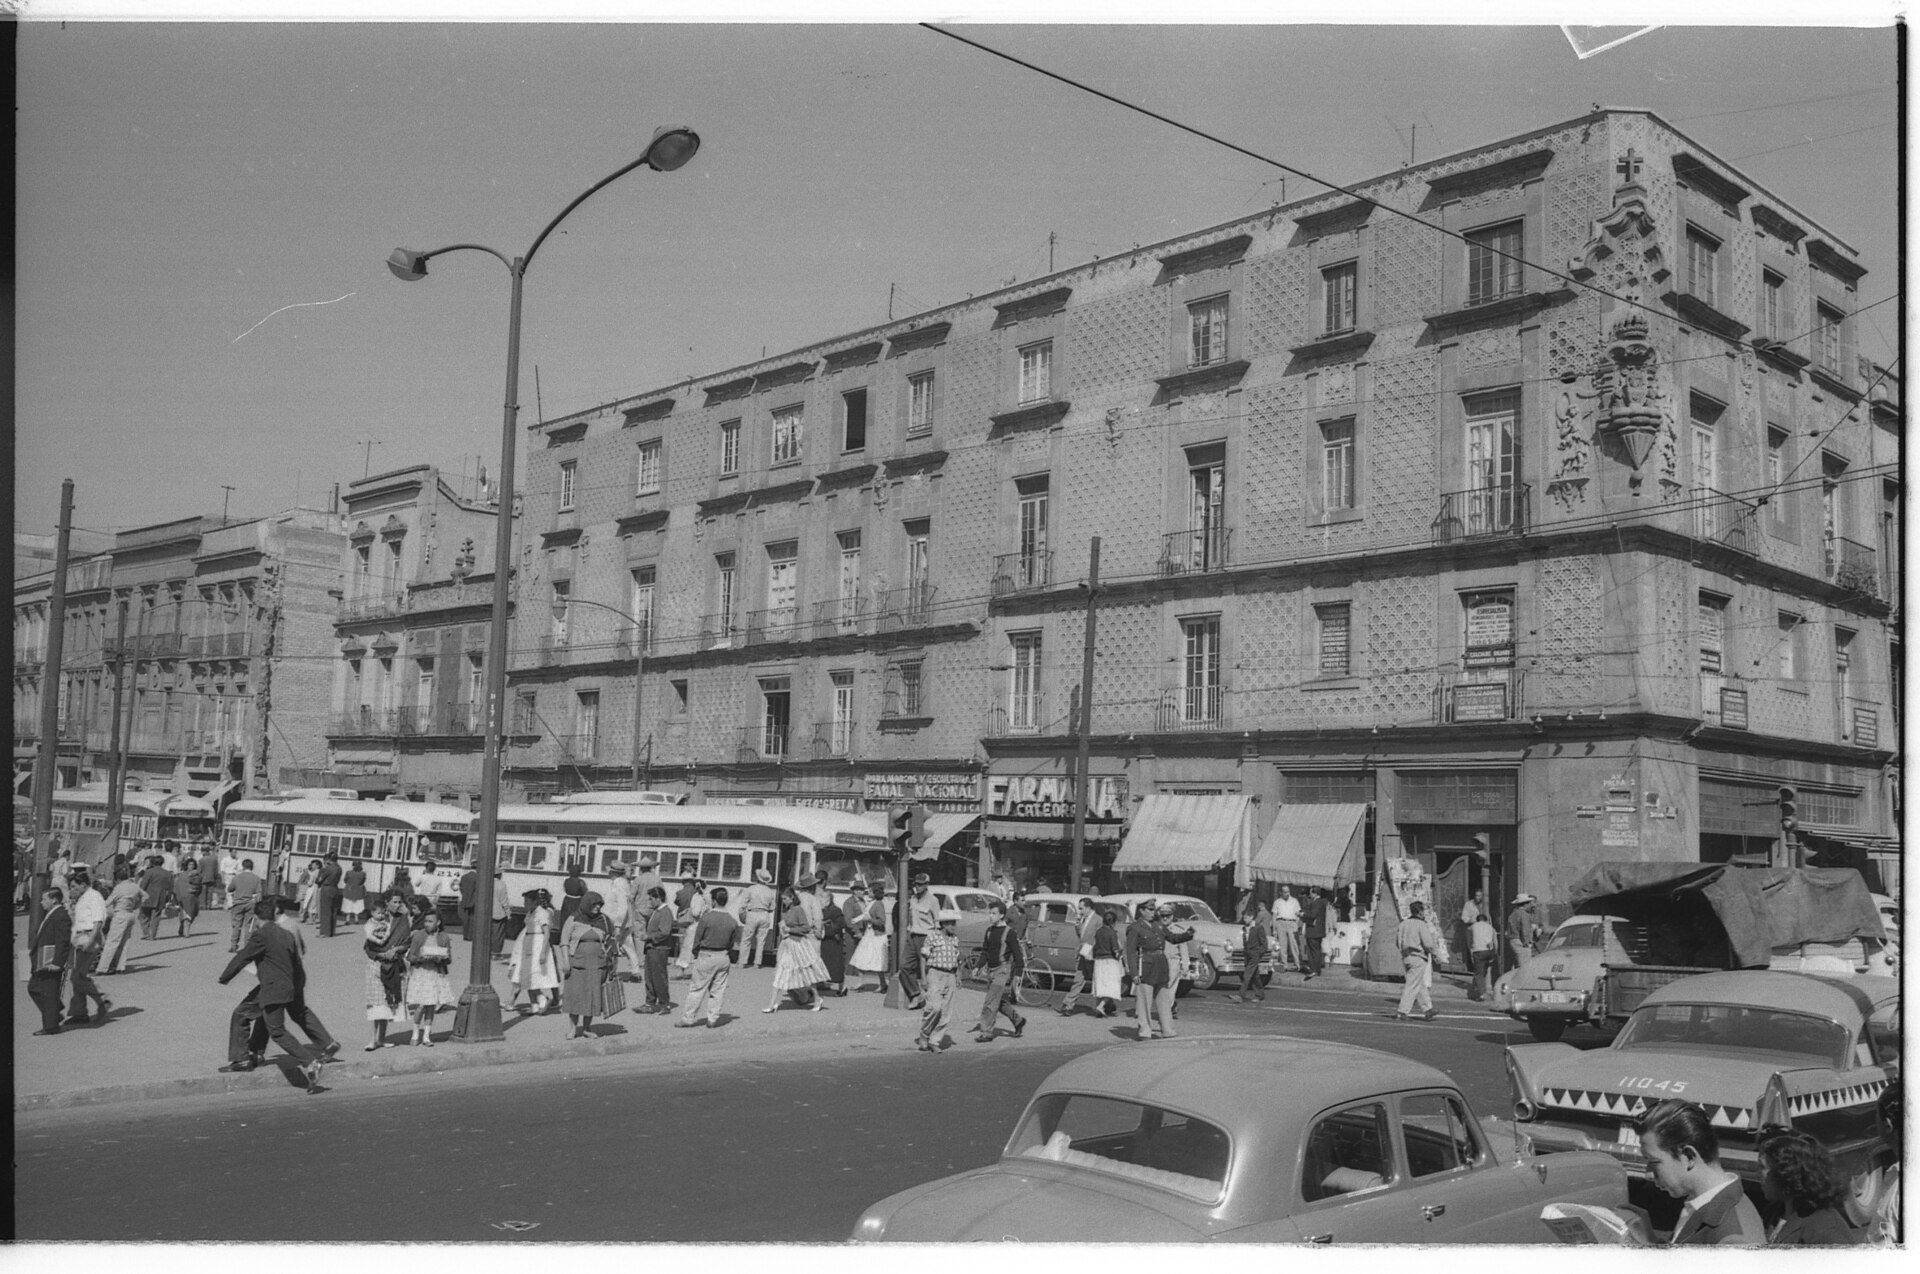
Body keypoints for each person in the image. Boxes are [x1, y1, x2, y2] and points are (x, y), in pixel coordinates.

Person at [217, 899, 323, 1093]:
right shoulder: (286, 934)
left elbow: (243, 956)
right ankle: (254, 1053)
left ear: (257, 918)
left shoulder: (261, 935)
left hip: (272, 989)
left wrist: (225, 977)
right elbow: (297, 963)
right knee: (254, 1015)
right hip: (286, 986)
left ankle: (309, 1062)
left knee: (274, 1029)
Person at [1638, 1099, 1766, 1245]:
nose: (1648, 1174)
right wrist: (1648, 1240)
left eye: (1654, 1162)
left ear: (1689, 1156)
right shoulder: (1705, 1202)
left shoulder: (1734, 1241)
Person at [1757, 1126, 1861, 1246]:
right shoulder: (1774, 1211)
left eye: (1762, 1167)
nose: (1758, 1173)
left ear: (1786, 1174)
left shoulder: (1827, 1231)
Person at [676, 885, 740, 1029]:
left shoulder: (707, 918)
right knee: (718, 990)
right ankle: (713, 1018)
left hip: (707, 954)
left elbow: (697, 939)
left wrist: (696, 953)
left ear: (714, 901)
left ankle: (688, 1018)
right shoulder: (732, 920)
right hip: (723, 956)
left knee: (697, 989)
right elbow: (732, 942)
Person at [765, 885, 829, 1013]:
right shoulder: (786, 910)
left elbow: (806, 928)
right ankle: (771, 1004)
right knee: (781, 972)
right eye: (782, 899)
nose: (784, 901)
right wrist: (783, 929)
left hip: (798, 944)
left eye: (785, 899)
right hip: (787, 944)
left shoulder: (798, 910)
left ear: (792, 898)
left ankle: (817, 998)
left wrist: (790, 929)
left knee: (806, 973)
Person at [559, 891, 613, 1040]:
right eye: (594, 904)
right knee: (575, 996)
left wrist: (611, 963)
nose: (597, 907)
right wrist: (565, 961)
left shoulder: (603, 920)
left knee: (592, 997)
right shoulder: (573, 919)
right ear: (586, 904)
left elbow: (611, 941)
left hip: (597, 965)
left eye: (599, 905)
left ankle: (587, 1029)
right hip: (577, 964)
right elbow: (564, 941)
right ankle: (573, 1029)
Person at [972, 900, 1027, 1043]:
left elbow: (1018, 956)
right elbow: (985, 952)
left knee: (990, 1002)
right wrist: (978, 966)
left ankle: (986, 1032)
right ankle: (1018, 1020)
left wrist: (1017, 976)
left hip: (1002, 971)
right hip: (990, 971)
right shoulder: (989, 931)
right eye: (990, 913)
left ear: (1001, 915)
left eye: (993, 913)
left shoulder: (1009, 933)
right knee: (997, 1001)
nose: (990, 916)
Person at [362, 892, 412, 1049]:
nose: (397, 905)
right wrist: (380, 954)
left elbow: (406, 942)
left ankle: (381, 1038)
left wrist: (396, 950)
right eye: (394, 902)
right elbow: (368, 944)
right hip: (376, 964)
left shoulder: (402, 920)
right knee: (376, 1003)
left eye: (400, 902)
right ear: (386, 902)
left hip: (394, 964)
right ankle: (372, 1039)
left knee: (387, 1003)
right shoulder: (376, 919)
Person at [402, 908, 456, 1046]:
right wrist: (420, 958)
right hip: (421, 973)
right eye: (425, 921)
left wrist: (440, 959)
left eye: (430, 921)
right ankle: (415, 1033)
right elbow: (410, 956)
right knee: (421, 1005)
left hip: (435, 973)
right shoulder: (419, 936)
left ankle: (426, 1036)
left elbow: (448, 958)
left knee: (431, 1006)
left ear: (438, 923)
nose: (427, 924)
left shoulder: (443, 937)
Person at [913, 910, 964, 1052]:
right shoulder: (932, 937)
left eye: (954, 923)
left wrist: (958, 975)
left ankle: (935, 1041)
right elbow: (923, 957)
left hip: (950, 975)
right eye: (950, 923)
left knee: (946, 1011)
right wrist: (923, 977)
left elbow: (957, 959)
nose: (953, 926)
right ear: (944, 924)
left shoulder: (955, 939)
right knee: (934, 1007)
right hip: (935, 974)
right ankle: (924, 1034)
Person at [65, 873, 111, 1026]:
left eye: (74, 886)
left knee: (77, 977)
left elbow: (98, 921)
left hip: (89, 937)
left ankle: (103, 1000)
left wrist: (91, 941)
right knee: (77, 976)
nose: (72, 889)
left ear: (83, 885)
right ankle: (80, 1013)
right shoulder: (83, 898)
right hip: (80, 938)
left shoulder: (94, 896)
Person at [27, 886, 73, 1036]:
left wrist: (57, 963)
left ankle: (51, 1026)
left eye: (44, 899)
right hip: (43, 959)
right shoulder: (52, 913)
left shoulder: (60, 915)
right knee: (34, 987)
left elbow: (63, 941)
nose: (41, 902)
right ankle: (53, 1013)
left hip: (51, 961)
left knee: (49, 992)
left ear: (54, 900)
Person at [508, 888, 559, 1014]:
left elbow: (547, 932)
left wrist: (543, 952)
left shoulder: (542, 913)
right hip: (528, 943)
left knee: (531, 974)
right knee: (526, 975)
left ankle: (542, 998)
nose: (524, 904)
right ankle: (534, 1005)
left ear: (534, 901)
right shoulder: (531, 913)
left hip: (537, 944)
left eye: (527, 901)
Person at [1056, 897, 1105, 1016]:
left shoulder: (1098, 920)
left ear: (1088, 908)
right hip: (1083, 953)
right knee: (1078, 979)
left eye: (1081, 908)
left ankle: (1106, 1004)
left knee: (1098, 981)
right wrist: (1077, 926)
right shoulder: (1084, 919)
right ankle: (1068, 1005)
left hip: (1092, 954)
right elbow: (1081, 935)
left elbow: (1100, 938)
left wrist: (1093, 951)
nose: (1080, 911)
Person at [1395, 900, 1441, 1021]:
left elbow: (1397, 942)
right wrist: (1435, 954)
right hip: (1418, 957)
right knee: (1412, 985)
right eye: (1423, 911)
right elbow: (1428, 943)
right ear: (1420, 912)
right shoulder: (1421, 924)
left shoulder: (1403, 924)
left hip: (1406, 957)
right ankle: (1402, 1011)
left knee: (1419, 984)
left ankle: (1428, 1009)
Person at [902, 872, 939, 1010]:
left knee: (927, 970)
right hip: (913, 936)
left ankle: (931, 1000)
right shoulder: (913, 899)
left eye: (921, 884)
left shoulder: (933, 900)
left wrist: (935, 941)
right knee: (904, 966)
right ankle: (916, 994)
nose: (917, 886)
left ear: (926, 885)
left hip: (926, 937)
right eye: (916, 884)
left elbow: (937, 922)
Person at [848, 882, 891, 993]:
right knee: (860, 956)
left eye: (870, 891)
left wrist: (869, 920)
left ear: (875, 893)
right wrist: (857, 919)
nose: (868, 892)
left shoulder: (878, 904)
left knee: (877, 960)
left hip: (876, 936)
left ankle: (882, 983)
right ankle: (861, 981)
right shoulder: (871, 903)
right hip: (869, 934)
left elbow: (881, 921)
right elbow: (865, 915)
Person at [639, 885, 676, 1014]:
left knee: (659, 978)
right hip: (652, 948)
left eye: (651, 899)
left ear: (658, 898)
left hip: (659, 949)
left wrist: (649, 937)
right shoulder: (657, 911)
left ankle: (664, 1004)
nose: (650, 902)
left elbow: (664, 932)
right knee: (649, 977)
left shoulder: (665, 912)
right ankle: (650, 1003)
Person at [100, 866, 142, 975]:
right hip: (130, 914)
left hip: (120, 914)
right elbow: (143, 898)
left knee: (112, 942)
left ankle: (103, 968)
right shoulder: (135, 886)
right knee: (125, 942)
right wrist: (134, 906)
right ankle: (120, 967)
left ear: (117, 879)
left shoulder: (119, 888)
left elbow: (108, 902)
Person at [738, 868, 779, 970]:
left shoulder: (751, 889)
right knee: (761, 941)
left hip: (753, 913)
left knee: (746, 939)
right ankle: (757, 963)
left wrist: (742, 916)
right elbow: (773, 907)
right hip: (765, 914)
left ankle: (742, 962)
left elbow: (743, 905)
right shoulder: (770, 891)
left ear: (757, 878)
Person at [1232, 902, 1270, 1002]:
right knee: (1255, 976)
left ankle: (1241, 995)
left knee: (1246, 975)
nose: (1244, 919)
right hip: (1247, 955)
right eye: (1244, 918)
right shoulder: (1244, 928)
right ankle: (1260, 995)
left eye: (1246, 918)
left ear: (1251, 917)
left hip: (1255, 955)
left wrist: (1258, 953)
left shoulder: (1258, 928)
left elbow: (1264, 944)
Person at [600, 863, 633, 977]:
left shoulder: (619, 885)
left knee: (612, 948)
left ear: (613, 872)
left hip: (613, 923)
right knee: (615, 947)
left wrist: (618, 925)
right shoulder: (616, 883)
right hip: (610, 921)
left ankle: (610, 973)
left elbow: (623, 907)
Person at [819, 884, 851, 996]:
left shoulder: (836, 910)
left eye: (822, 898)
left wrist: (826, 929)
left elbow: (840, 924)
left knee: (836, 966)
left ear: (828, 899)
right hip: (825, 941)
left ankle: (842, 987)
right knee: (824, 964)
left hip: (833, 942)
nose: (820, 900)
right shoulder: (821, 909)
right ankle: (821, 985)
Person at [228, 858, 263, 952]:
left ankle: (233, 945)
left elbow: (230, 889)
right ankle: (247, 946)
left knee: (236, 925)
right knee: (249, 926)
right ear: (252, 867)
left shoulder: (237, 877)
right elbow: (259, 893)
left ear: (243, 867)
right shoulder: (256, 878)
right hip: (251, 904)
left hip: (238, 904)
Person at [675, 878, 710, 972]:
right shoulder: (707, 896)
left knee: (688, 946)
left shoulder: (697, 897)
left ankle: (684, 967)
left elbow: (695, 913)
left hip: (696, 924)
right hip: (706, 924)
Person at [138, 855, 172, 941]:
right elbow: (169, 887)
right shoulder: (167, 873)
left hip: (147, 896)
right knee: (156, 916)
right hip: (160, 896)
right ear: (162, 862)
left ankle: (146, 932)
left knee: (143, 915)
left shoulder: (149, 872)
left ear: (153, 862)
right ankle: (152, 935)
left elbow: (144, 884)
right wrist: (168, 898)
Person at [1468, 909, 1499, 1001]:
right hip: (1489, 951)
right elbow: (1495, 942)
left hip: (1478, 951)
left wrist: (1471, 951)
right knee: (1486, 970)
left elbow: (1469, 938)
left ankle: (1481, 994)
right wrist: (1495, 952)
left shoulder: (1473, 926)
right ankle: (1486, 988)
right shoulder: (1491, 927)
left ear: (1477, 920)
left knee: (1478, 973)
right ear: (1486, 920)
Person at [1506, 893, 1541, 973]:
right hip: (1520, 940)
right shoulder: (1524, 914)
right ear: (1526, 904)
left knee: (1518, 964)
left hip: (1513, 940)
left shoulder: (1514, 913)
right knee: (1524, 966)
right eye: (1529, 903)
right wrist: (1527, 943)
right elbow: (1525, 929)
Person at [1301, 886, 1329, 980]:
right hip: (1318, 931)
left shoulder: (1316, 903)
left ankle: (1314, 970)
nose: (1310, 895)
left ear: (1315, 893)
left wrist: (1303, 914)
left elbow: (1313, 915)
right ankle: (1316, 970)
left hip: (1313, 930)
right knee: (1316, 950)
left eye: (1310, 893)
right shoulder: (1321, 902)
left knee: (1313, 951)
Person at [1272, 884, 1303, 971]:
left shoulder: (1294, 901)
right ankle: (1284, 965)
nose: (1287, 894)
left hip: (1292, 923)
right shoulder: (1277, 902)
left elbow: (1298, 914)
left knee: (1294, 945)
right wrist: (1274, 929)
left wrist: (1296, 924)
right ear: (1281, 893)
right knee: (1282, 945)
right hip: (1281, 922)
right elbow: (1274, 916)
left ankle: (1297, 964)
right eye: (1285, 892)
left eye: (1288, 892)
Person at [313, 853, 343, 938]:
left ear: (329, 859)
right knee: (333, 911)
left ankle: (325, 932)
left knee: (325, 911)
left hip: (327, 889)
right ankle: (332, 931)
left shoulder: (328, 868)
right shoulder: (339, 868)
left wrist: (317, 880)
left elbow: (319, 880)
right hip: (335, 888)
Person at [172, 855, 202, 938]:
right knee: (185, 914)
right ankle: (186, 931)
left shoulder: (197, 875)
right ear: (186, 865)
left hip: (192, 897)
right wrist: (176, 896)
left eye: (193, 865)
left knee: (191, 914)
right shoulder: (182, 875)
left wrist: (195, 891)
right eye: (190, 864)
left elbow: (199, 885)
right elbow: (177, 886)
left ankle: (183, 928)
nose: (191, 866)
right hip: (183, 897)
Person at [456, 863, 479, 941]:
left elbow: (461, 888)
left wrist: (465, 895)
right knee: (472, 919)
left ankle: (465, 935)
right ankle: (470, 936)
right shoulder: (477, 877)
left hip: (465, 900)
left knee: (466, 919)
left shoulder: (464, 877)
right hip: (474, 901)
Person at [341, 859, 367, 927]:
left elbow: (345, 880)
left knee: (348, 905)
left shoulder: (348, 872)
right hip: (358, 891)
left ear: (353, 865)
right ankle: (356, 919)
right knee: (357, 905)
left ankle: (347, 920)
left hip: (349, 890)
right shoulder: (363, 874)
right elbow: (363, 882)